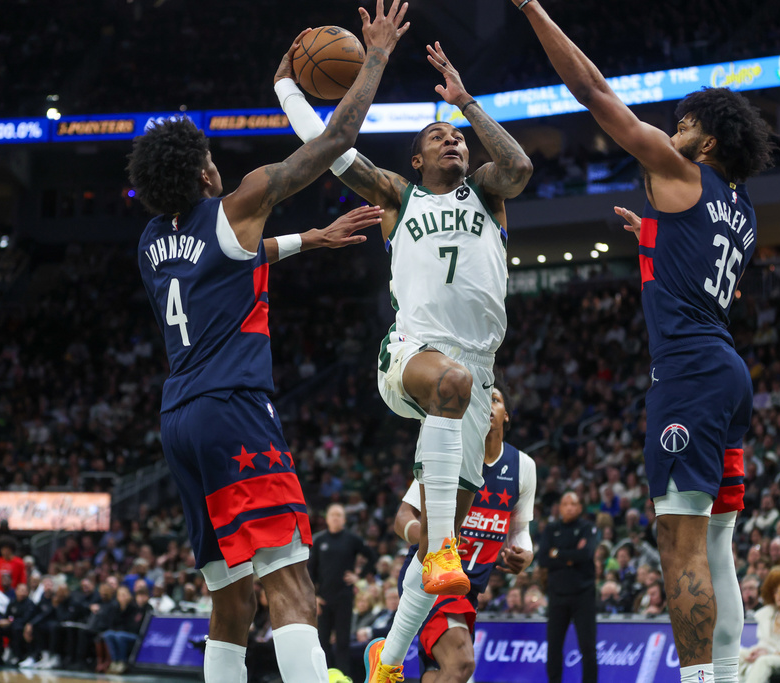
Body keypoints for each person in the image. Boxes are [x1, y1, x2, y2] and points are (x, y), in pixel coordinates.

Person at [127, 4, 408, 682]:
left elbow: (224, 262)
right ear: (201, 174)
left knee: (230, 596)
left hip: (179, 420)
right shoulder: (240, 200)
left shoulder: (150, 243)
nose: (219, 166)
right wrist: (373, 58)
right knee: (292, 586)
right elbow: (336, 137)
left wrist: (309, 241)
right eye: (211, 160)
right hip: (234, 409)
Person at [509, 4, 776, 683]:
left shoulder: (681, 169)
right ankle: (726, 676)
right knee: (718, 544)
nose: (674, 131)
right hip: (728, 371)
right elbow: (700, 263)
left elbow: (596, 92)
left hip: (687, 373)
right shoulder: (741, 209)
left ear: (708, 141)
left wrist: (532, 9)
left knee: (679, 540)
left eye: (685, 124)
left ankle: (698, 679)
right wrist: (653, 237)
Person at [274, 30, 531, 683]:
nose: (454, 140)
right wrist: (285, 88)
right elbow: (330, 150)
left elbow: (522, 167)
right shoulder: (398, 196)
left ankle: (385, 663)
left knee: (441, 542)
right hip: (412, 352)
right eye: (438, 136)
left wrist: (468, 103)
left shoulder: (488, 192)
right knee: (448, 389)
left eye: (459, 138)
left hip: (476, 371)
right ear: (414, 161)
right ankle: (442, 543)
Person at [392, 386, 536, 682]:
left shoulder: (523, 466)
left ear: (506, 414)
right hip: (431, 575)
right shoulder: (450, 457)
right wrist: (433, 537)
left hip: (469, 589)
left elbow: (520, 531)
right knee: (461, 664)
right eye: (482, 402)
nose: (488, 406)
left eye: (495, 400)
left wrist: (526, 554)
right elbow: (402, 518)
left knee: (438, 673)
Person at [308, 503, 377, 674]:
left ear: (344, 519)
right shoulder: (319, 541)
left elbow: (372, 557)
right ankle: (324, 676)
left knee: (342, 642)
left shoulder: (352, 539)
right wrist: (314, 596)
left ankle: (344, 677)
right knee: (322, 642)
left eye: (339, 515)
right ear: (327, 518)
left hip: (344, 598)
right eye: (332, 515)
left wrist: (359, 576)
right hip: (323, 599)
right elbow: (310, 571)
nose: (335, 518)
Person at [539, 491, 599, 682]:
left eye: (573, 503)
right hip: (557, 595)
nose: (569, 507)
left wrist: (557, 553)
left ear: (580, 508)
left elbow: (587, 554)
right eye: (565, 503)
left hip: (584, 595)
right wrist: (572, 555)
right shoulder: (551, 529)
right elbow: (543, 560)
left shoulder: (588, 528)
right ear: (559, 508)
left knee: (587, 647)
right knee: (554, 647)